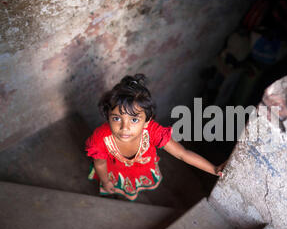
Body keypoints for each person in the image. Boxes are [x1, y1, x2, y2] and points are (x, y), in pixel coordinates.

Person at [85, 74, 225, 201]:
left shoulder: (153, 131)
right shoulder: (99, 139)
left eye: (134, 120)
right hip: (115, 173)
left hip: (141, 171)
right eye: (116, 118)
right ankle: (118, 196)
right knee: (117, 189)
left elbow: (182, 154)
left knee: (132, 190)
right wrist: (105, 182)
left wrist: (214, 169)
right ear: (107, 117)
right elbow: (100, 164)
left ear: (147, 120)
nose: (124, 127)